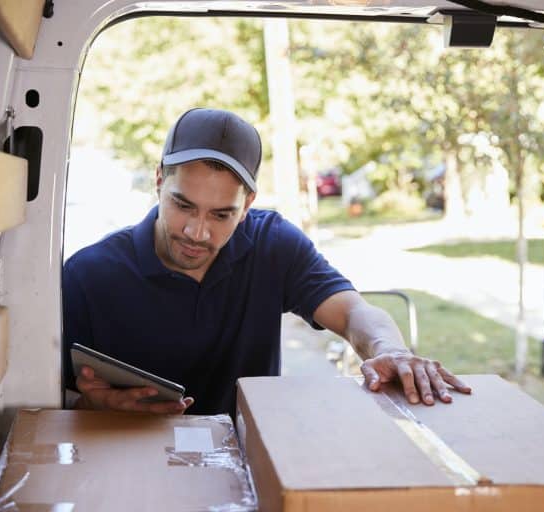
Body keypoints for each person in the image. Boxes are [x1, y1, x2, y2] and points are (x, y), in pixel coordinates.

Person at [63, 108, 471, 417]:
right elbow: (47, 403)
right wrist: (89, 407)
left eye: (221, 214)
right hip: (128, 464)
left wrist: (391, 350)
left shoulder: (272, 243)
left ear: (247, 206)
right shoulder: (87, 274)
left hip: (250, 461)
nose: (197, 232)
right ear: (158, 181)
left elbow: (352, 313)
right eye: (183, 205)